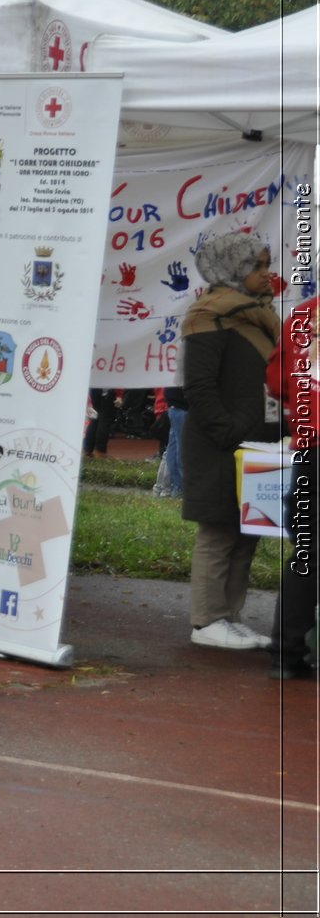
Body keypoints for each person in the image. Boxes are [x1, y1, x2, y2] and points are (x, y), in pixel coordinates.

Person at [181, 232, 281, 649]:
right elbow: (199, 387)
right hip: (220, 443)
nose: (265, 274)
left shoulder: (260, 314)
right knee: (219, 530)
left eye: (265, 264)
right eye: (256, 266)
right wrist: (229, 431)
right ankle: (207, 621)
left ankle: (231, 617)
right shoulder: (208, 316)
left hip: (259, 441)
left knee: (246, 531)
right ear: (233, 270)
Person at [266, 294, 316, 679]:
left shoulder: (304, 312)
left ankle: (286, 652)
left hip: (310, 449)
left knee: (307, 554)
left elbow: (277, 381)